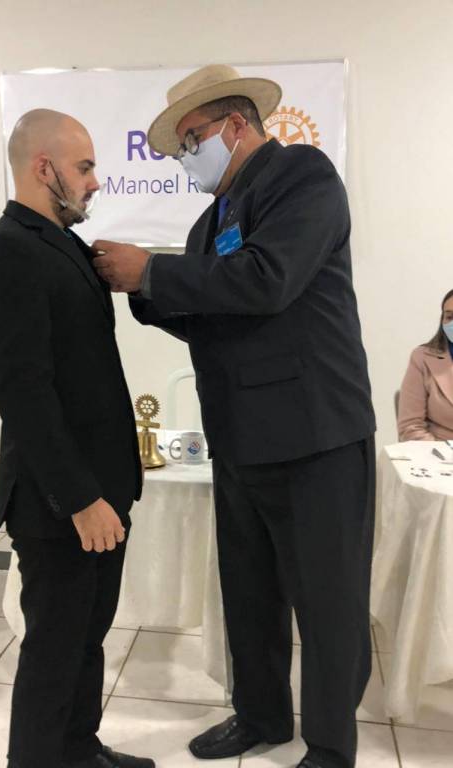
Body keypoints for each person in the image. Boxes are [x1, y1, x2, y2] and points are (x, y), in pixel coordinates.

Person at [92, 65, 376, 768]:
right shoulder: (210, 219)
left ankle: (331, 746)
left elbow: (266, 280)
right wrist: (139, 293)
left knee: (327, 601)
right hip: (241, 436)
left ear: (237, 125)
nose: (187, 156)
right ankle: (261, 714)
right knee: (249, 594)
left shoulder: (302, 178)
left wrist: (150, 271)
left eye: (193, 140)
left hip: (315, 435)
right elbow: (213, 314)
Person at [0, 109, 151, 768]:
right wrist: (78, 498)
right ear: (43, 168)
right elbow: (25, 394)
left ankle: (78, 749)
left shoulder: (64, 244)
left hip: (103, 489)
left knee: (87, 638)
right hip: (60, 502)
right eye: (85, 167)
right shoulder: (5, 253)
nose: (96, 181)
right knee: (54, 650)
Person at [397, 289, 453, 441]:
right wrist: (441, 452)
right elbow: (410, 427)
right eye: (449, 317)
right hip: (439, 451)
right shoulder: (422, 358)